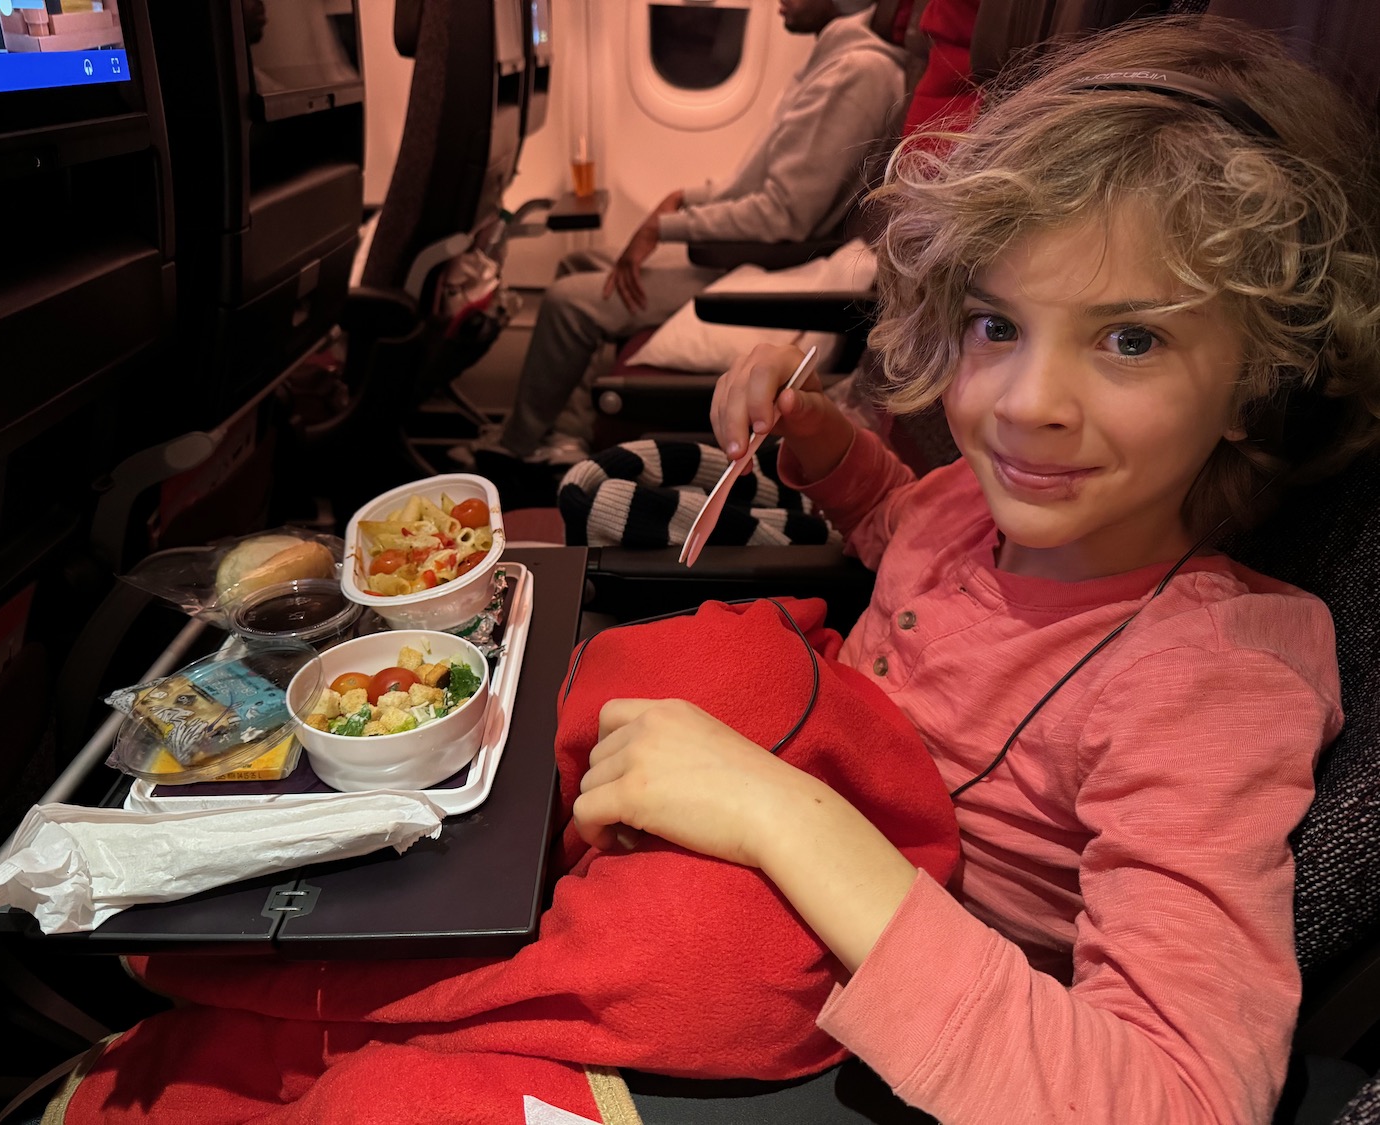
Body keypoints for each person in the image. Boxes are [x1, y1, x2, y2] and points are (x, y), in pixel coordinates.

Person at [573, 15, 1380, 1124]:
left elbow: (1181, 1098)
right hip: (766, 842)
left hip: (868, 1031)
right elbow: (913, 542)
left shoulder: (1210, 683)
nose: (1026, 406)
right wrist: (828, 456)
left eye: (1130, 339)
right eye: (998, 324)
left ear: (1261, 380)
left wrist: (783, 817)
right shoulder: (982, 506)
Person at [452, 0, 907, 467]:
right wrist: (685, 198)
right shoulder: (832, 61)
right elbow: (758, 183)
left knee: (570, 301)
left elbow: (783, 215)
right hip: (752, 253)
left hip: (773, 267)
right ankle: (564, 436)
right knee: (577, 263)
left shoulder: (856, 74)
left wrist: (665, 227)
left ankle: (513, 451)